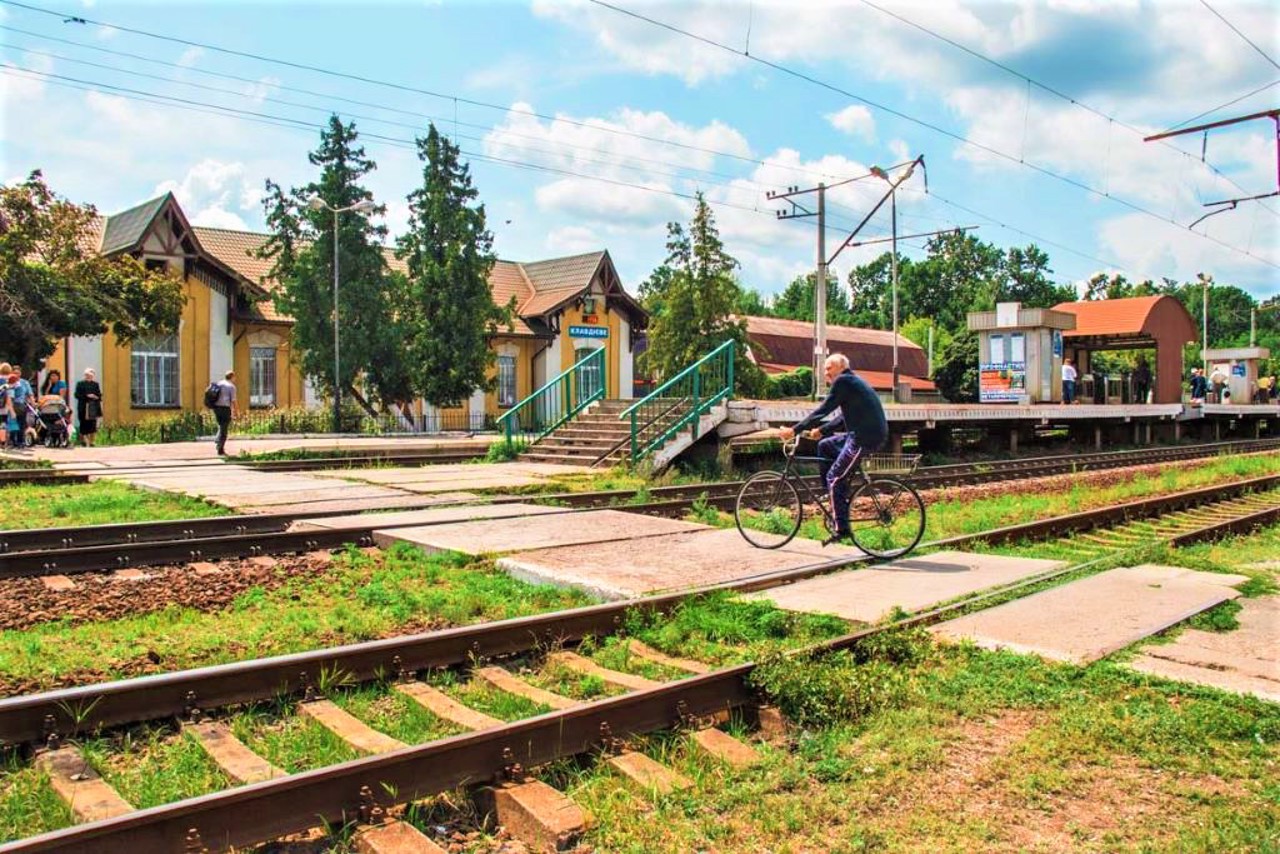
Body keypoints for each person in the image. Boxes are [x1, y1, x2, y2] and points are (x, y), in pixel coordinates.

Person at [778, 353, 888, 546]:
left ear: (840, 367)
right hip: (860, 433)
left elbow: (824, 409)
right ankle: (835, 497)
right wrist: (822, 430)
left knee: (834, 478)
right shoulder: (852, 382)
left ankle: (842, 528)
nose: (826, 373)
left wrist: (794, 430)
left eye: (829, 368)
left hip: (864, 438)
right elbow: (844, 418)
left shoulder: (843, 382)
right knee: (825, 445)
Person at [212, 370, 239, 456]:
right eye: (234, 377)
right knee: (224, 429)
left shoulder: (219, 384)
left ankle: (217, 440)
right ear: (232, 377)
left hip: (216, 408)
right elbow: (234, 401)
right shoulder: (231, 387)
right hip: (225, 408)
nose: (235, 379)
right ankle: (220, 448)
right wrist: (236, 412)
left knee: (220, 425)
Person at [74, 368, 102, 447]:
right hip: (83, 406)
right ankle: (83, 440)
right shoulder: (80, 384)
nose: (88, 377)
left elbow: (99, 395)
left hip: (93, 407)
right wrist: (86, 396)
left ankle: (92, 441)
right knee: (83, 423)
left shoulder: (95, 384)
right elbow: (76, 395)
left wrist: (96, 396)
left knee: (93, 424)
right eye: (87, 375)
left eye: (90, 375)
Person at [8, 366, 32, 448]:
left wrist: (33, 402)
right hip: (11, 405)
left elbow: (30, 394)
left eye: (18, 373)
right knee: (12, 423)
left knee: (21, 424)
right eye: (14, 373)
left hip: (21, 405)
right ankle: (12, 441)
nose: (16, 375)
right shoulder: (9, 382)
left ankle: (20, 441)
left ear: (20, 374)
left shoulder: (24, 383)